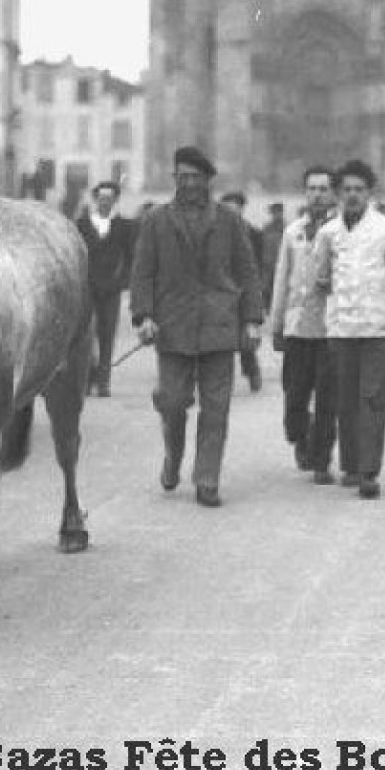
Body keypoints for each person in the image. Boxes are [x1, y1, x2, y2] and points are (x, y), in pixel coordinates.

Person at [129, 147, 263, 507]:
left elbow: (247, 271)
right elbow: (142, 273)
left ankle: (207, 479)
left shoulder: (230, 221)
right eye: (182, 177)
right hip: (172, 327)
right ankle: (173, 457)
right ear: (175, 180)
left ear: (207, 181)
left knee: (216, 407)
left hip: (220, 325)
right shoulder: (156, 221)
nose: (188, 184)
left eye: (195, 178)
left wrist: (252, 319)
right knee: (172, 403)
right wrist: (143, 316)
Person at [309, 159, 385, 500]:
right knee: (346, 401)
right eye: (346, 190)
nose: (353, 195)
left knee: (372, 398)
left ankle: (369, 472)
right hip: (342, 329)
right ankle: (352, 465)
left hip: (377, 329)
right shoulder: (329, 232)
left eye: (359, 190)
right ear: (338, 194)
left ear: (369, 193)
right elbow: (320, 276)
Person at [268, 167, 339, 484]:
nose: (317, 194)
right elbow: (281, 278)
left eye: (323, 188)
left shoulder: (341, 231)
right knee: (294, 395)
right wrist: (276, 322)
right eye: (311, 188)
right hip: (296, 326)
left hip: (329, 329)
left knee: (327, 396)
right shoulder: (293, 232)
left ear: (333, 192)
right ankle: (301, 434)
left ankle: (322, 458)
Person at [75, 181, 137, 397]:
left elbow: (131, 258)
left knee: (107, 336)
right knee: (85, 336)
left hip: (111, 290)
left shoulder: (124, 226)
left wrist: (123, 281)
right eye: (101, 198)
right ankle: (85, 380)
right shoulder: (82, 225)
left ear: (115, 201)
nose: (105, 203)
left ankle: (103, 382)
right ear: (95, 200)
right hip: (88, 289)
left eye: (109, 199)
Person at [220, 192, 264, 392]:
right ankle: (220, 380)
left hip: (244, 294)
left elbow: (258, 265)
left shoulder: (253, 233)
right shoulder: (215, 233)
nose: (231, 213)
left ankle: (252, 372)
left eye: (235, 209)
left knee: (246, 340)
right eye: (227, 208)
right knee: (220, 339)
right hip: (221, 294)